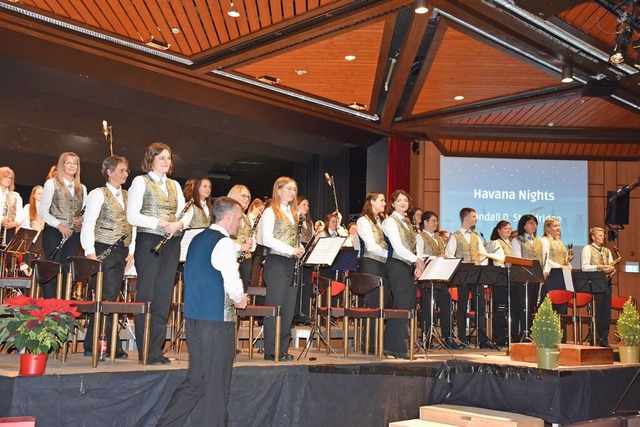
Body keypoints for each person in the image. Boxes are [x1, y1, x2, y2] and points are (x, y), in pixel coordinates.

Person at [157, 197, 249, 427]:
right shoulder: (225, 242)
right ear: (228, 218)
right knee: (217, 385)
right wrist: (240, 299)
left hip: (194, 318)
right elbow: (231, 279)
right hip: (216, 320)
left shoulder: (197, 239)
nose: (239, 223)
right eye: (238, 218)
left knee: (196, 380)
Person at [127, 142, 193, 365]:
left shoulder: (174, 185)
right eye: (161, 157)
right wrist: (159, 222)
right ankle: (145, 349)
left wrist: (180, 224)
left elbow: (187, 213)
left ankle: (156, 349)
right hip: (149, 241)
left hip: (171, 242)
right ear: (151, 159)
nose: (166, 161)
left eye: (168, 158)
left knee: (164, 297)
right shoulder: (140, 181)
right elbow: (132, 216)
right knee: (147, 294)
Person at [80, 156, 133, 359]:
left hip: (121, 250)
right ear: (109, 172)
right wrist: (90, 252)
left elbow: (132, 225)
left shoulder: (128, 196)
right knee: (106, 297)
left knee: (110, 297)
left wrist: (132, 250)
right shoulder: (98, 194)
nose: (125, 174)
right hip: (102, 248)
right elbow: (89, 223)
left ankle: (92, 343)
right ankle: (108, 345)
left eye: (126, 170)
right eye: (121, 170)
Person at [259, 176, 304, 361]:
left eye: (294, 189)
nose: (292, 193)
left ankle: (282, 348)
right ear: (278, 191)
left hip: (291, 262)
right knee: (276, 306)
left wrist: (299, 247)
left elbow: (294, 237)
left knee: (288, 308)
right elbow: (266, 239)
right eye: (288, 189)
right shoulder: (270, 212)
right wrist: (291, 249)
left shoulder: (295, 215)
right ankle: (271, 349)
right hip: (276, 261)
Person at [382, 190, 425, 358]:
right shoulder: (390, 221)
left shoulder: (406, 222)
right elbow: (398, 247)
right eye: (399, 200)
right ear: (392, 203)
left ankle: (393, 346)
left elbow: (414, 246)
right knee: (401, 304)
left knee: (407, 304)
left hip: (407, 265)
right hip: (396, 265)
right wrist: (417, 260)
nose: (403, 203)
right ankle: (395, 347)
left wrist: (417, 264)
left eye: (405, 200)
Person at [39, 152, 87, 298]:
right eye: (68, 162)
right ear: (62, 165)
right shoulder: (51, 184)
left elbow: (84, 212)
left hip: (73, 235)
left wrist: (81, 220)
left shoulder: (82, 188)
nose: (72, 165)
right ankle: (50, 307)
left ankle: (64, 307)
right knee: (53, 269)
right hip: (54, 232)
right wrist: (59, 225)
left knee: (68, 271)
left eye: (75, 163)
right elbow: (43, 211)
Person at [445, 207, 489, 348]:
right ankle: (462, 338)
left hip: (477, 274)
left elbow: (483, 254)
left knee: (480, 308)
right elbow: (449, 254)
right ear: (466, 218)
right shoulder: (455, 236)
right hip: (462, 275)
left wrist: (482, 266)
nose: (476, 219)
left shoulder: (476, 236)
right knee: (462, 307)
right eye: (474, 216)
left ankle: (483, 340)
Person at [415, 210, 456, 349]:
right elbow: (420, 255)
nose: (435, 223)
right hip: (427, 276)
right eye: (433, 221)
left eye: (436, 221)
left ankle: (447, 337)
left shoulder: (438, 238)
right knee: (428, 307)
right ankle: (426, 338)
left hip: (440, 277)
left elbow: (445, 253)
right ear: (425, 222)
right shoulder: (420, 237)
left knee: (446, 304)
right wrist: (437, 258)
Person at [356, 192, 389, 352]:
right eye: (381, 200)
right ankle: (368, 344)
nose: (384, 203)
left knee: (383, 303)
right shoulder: (363, 221)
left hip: (383, 264)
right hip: (371, 263)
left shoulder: (382, 221)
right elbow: (371, 246)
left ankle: (380, 342)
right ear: (372, 202)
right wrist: (389, 254)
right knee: (372, 303)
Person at [581, 226, 616, 347]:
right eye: (600, 235)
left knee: (606, 313)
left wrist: (612, 270)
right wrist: (598, 267)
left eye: (603, 235)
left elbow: (611, 266)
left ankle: (603, 339)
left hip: (606, 283)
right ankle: (595, 339)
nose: (603, 237)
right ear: (593, 237)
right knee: (597, 312)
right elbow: (584, 267)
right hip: (595, 284)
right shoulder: (587, 249)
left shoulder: (607, 251)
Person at [510, 214, 543, 341]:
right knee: (524, 306)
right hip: (523, 278)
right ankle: (523, 333)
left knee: (533, 306)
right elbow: (517, 259)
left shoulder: (540, 241)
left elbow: (543, 258)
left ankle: (532, 333)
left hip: (537, 278)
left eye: (535, 223)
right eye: (530, 223)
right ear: (524, 225)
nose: (533, 225)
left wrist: (544, 271)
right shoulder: (517, 240)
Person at [484, 220, 512, 346]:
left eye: (509, 228)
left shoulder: (511, 244)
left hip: (510, 278)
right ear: (499, 230)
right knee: (500, 309)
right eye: (505, 228)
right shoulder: (496, 243)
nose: (508, 230)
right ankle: (499, 337)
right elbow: (498, 261)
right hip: (501, 278)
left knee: (509, 309)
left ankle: (508, 335)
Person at [541, 217, 572, 315]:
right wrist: (560, 266)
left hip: (563, 276)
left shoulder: (560, 242)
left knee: (562, 306)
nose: (558, 228)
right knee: (552, 304)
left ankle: (561, 328)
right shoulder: (544, 240)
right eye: (555, 226)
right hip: (552, 275)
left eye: (559, 225)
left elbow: (565, 258)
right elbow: (545, 259)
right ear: (547, 228)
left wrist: (568, 265)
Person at [227, 185, 255, 291]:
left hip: (245, 260)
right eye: (243, 196)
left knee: (242, 291)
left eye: (248, 197)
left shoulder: (248, 219)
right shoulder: (226, 216)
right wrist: (240, 247)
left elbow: (253, 246)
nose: (246, 199)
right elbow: (222, 239)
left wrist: (250, 243)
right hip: (230, 257)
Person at [0, 167, 24, 247]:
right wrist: (1, 220)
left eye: (10, 178)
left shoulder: (16, 195)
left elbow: (20, 214)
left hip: (9, 230)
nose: (8, 179)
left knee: (7, 257)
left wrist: (14, 223)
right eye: (5, 177)